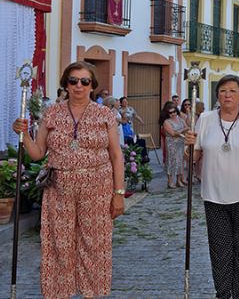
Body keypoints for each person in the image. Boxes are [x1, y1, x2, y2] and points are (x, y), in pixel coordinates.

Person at [12, 61, 125, 298]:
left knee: (94, 245)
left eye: (85, 81)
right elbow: (37, 153)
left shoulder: (105, 114)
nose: (79, 86)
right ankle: (59, 294)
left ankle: (92, 294)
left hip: (97, 189)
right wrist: (23, 134)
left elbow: (116, 156)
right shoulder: (52, 112)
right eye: (73, 80)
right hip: (59, 189)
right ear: (66, 83)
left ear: (92, 85)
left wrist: (119, 194)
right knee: (58, 244)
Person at [184, 75, 239, 299]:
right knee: (220, 250)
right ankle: (223, 293)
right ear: (217, 95)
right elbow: (194, 157)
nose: (227, 95)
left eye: (233, 91)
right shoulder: (204, 119)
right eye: (223, 91)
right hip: (214, 196)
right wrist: (189, 147)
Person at [161, 102, 188, 188]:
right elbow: (172, 133)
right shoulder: (166, 122)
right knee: (172, 161)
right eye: (170, 112)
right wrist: (182, 130)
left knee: (180, 161)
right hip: (171, 144)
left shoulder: (180, 119)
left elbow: (187, 127)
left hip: (180, 142)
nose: (173, 114)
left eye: (174, 112)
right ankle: (170, 181)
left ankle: (179, 180)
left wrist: (180, 131)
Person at [119, 96, 149, 163]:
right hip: (124, 128)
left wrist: (141, 121)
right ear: (121, 103)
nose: (125, 103)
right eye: (124, 102)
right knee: (131, 141)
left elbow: (135, 115)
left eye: (126, 101)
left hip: (130, 127)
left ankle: (139, 156)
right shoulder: (119, 110)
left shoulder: (130, 108)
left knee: (134, 140)